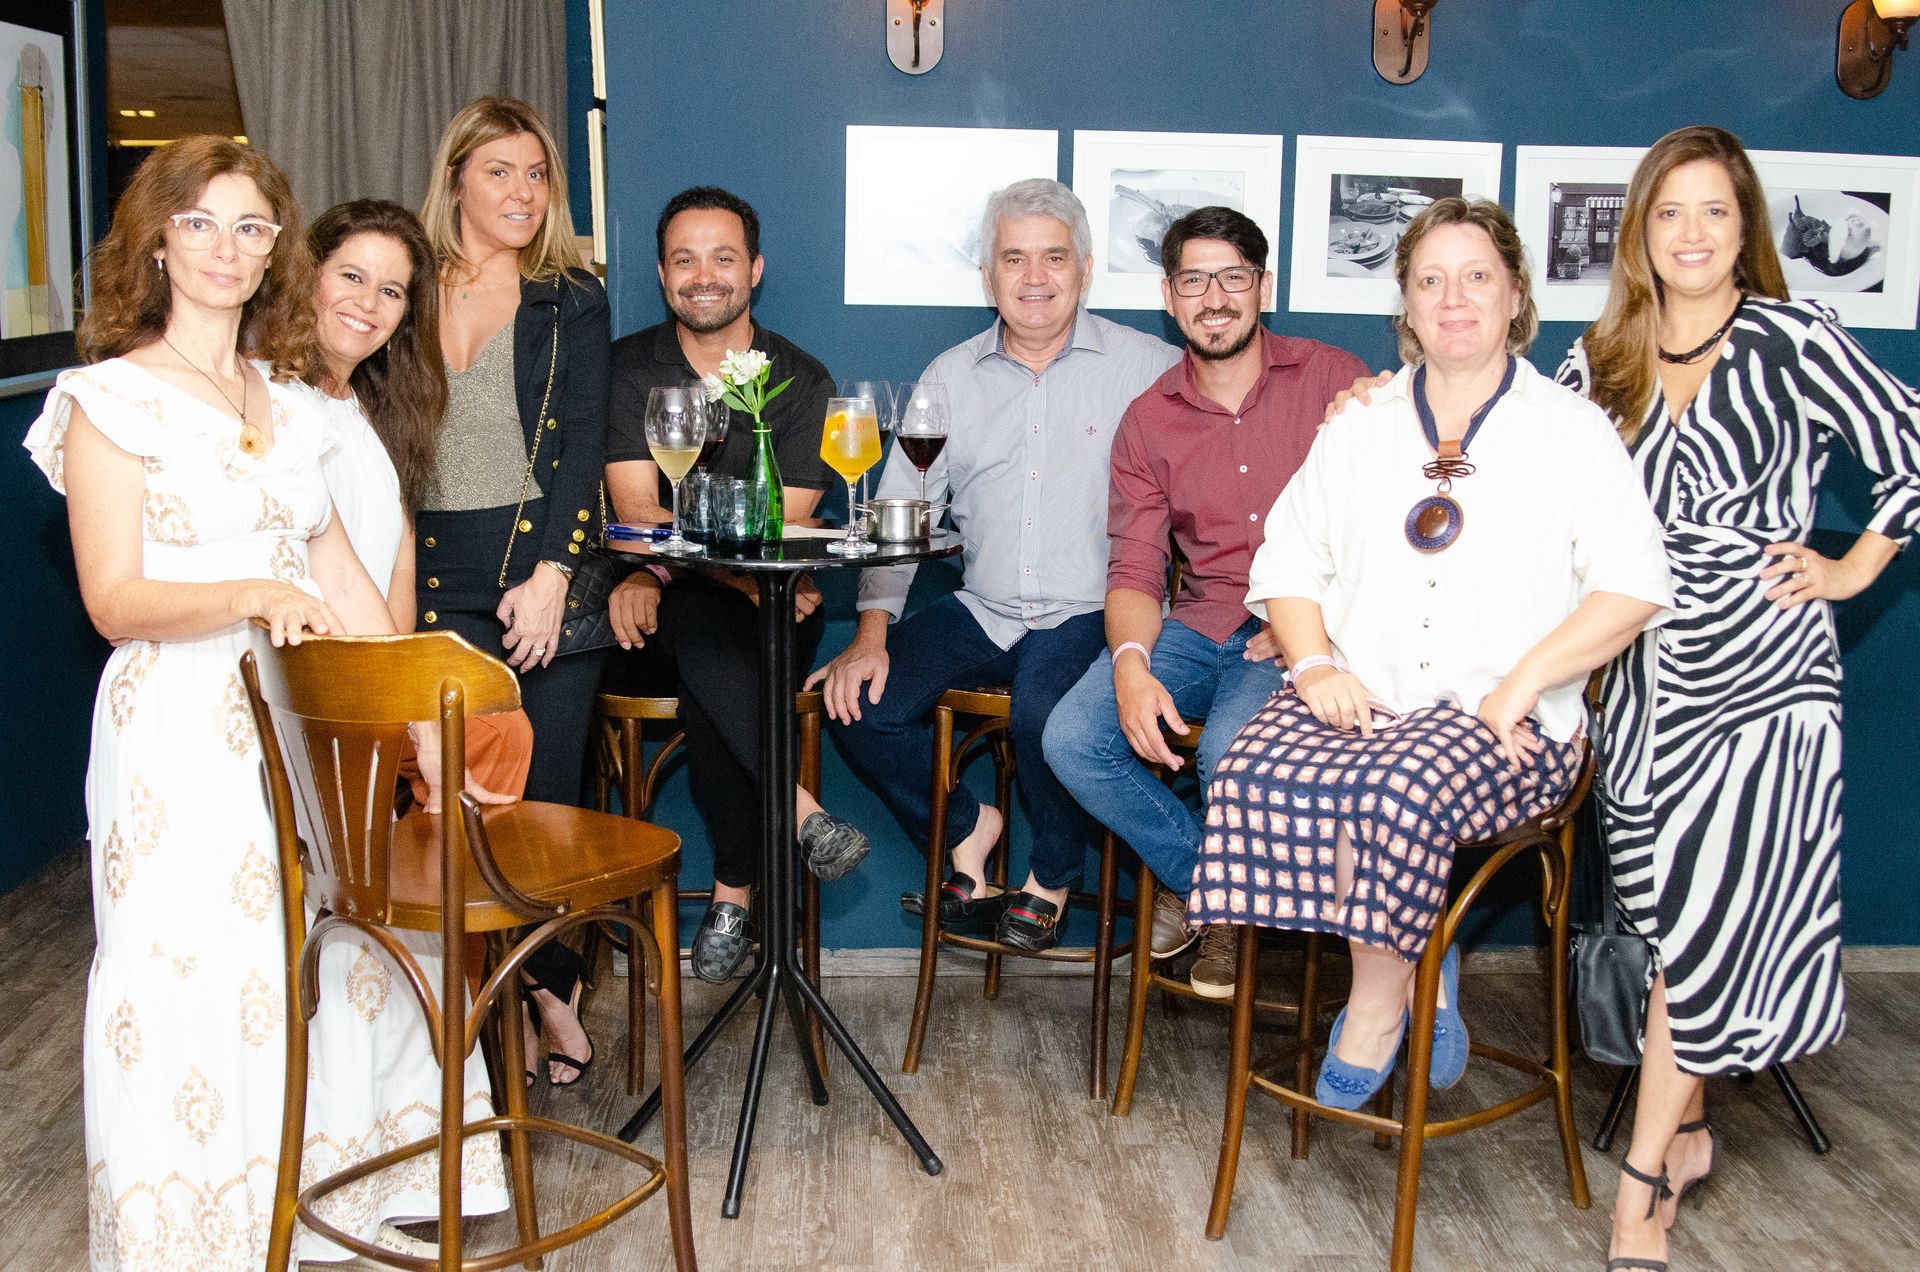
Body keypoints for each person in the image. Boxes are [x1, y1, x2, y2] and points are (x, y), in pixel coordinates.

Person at [21, 137, 507, 1269]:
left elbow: (345, 589)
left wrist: (429, 746)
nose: (228, 250)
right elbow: (112, 598)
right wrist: (249, 590)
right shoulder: (106, 399)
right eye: (200, 224)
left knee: (307, 964)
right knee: (193, 973)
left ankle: (301, 1208)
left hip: (299, 722)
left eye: (251, 228)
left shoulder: (288, 405)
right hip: (179, 725)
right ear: (154, 241)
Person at [1193, 198, 1671, 1127]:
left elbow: (1634, 586)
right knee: (1254, 769)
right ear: (1405, 306)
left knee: (1396, 790)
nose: (1454, 299)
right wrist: (1316, 666)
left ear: (1517, 296)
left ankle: (1374, 1004)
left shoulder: (1573, 432)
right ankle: (1423, 961)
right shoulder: (1361, 422)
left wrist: (1525, 684)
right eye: (1430, 281)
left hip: (1506, 720)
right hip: (1364, 694)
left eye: (1477, 277)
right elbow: (1286, 562)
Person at [1554, 126, 1920, 1272]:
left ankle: (1640, 1195)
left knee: (1706, 934)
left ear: (1745, 225)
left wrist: (1853, 563)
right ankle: (1695, 1127)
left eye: (1716, 211)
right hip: (1643, 678)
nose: (1694, 234)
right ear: (1640, 232)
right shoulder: (1601, 353)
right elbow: (1514, 463)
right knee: (1670, 924)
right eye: (1671, 213)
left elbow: (1910, 444)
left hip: (1767, 678)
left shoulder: (1792, 336)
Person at [809, 178, 1180, 953]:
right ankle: (970, 829)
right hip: (984, 606)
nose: (1034, 277)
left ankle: (1050, 875)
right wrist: (870, 633)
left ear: (1083, 269)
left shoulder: (1151, 367)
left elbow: (1230, 433)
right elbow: (899, 517)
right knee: (858, 704)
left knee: (1046, 719)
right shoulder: (947, 377)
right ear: (988, 276)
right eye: (1014, 258)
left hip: (1093, 608)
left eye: (1053, 258)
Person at [1043, 206, 1370, 999]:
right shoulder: (1149, 418)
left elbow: (1400, 521)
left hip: (1299, 625)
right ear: (1169, 293)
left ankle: (1224, 909)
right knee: (1074, 738)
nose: (1214, 297)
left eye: (1232, 277)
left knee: (1229, 756)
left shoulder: (1335, 379)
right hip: (1198, 621)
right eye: (1194, 279)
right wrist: (1129, 666)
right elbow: (1135, 566)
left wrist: (1313, 626)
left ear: (1264, 287)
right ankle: (1220, 894)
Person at [601, 186, 867, 982]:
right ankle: (798, 816)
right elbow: (638, 509)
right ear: (661, 273)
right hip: (659, 618)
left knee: (718, 643)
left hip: (759, 610)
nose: (704, 275)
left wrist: (682, 569)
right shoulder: (629, 368)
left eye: (723, 257)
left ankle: (732, 894)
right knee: (711, 628)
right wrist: (667, 569)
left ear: (754, 269)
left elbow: (771, 538)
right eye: (685, 259)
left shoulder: (800, 379)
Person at [417, 96, 609, 1082]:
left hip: (541, 577)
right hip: (422, 577)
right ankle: (507, 1000)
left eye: (538, 175)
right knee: (449, 815)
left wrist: (554, 574)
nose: (524, 192)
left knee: (540, 814)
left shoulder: (570, 294)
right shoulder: (400, 286)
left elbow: (581, 447)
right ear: (455, 178)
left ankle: (558, 985)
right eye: (500, 171)